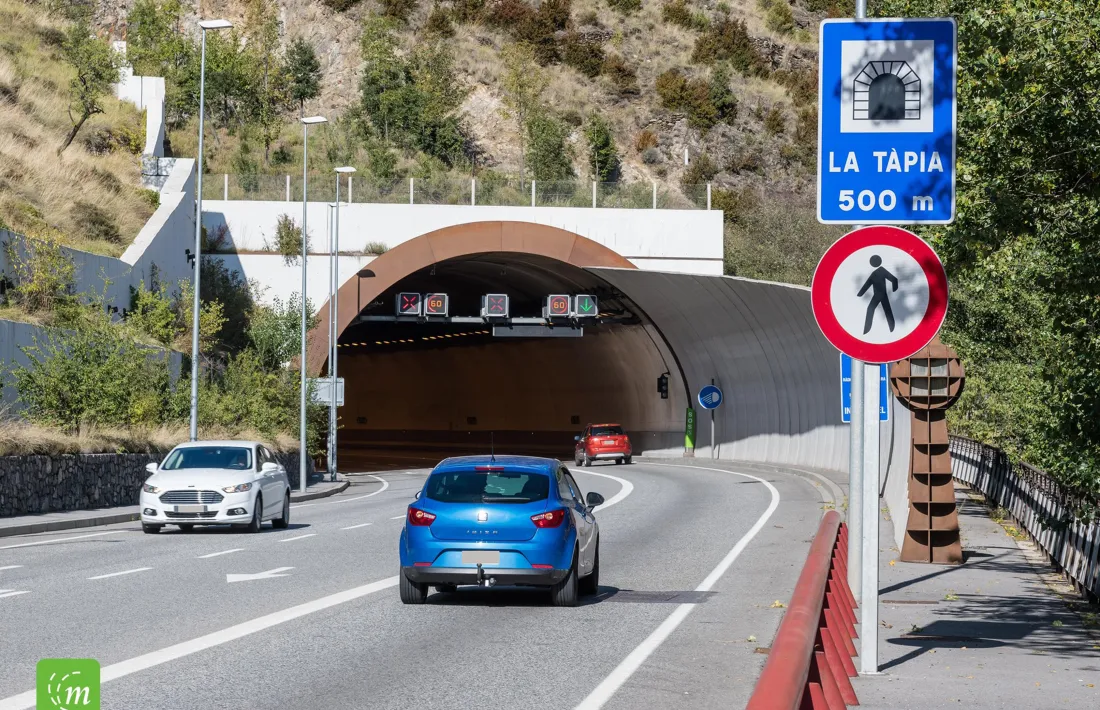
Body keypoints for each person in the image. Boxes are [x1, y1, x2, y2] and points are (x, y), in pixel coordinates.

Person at [857, 255, 898, 334]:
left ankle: (892, 328)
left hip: (882, 294)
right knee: (875, 309)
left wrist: (894, 291)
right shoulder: (874, 273)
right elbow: (867, 284)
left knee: (885, 311)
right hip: (877, 295)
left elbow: (894, 279)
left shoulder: (881, 270)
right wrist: (860, 294)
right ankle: (867, 330)